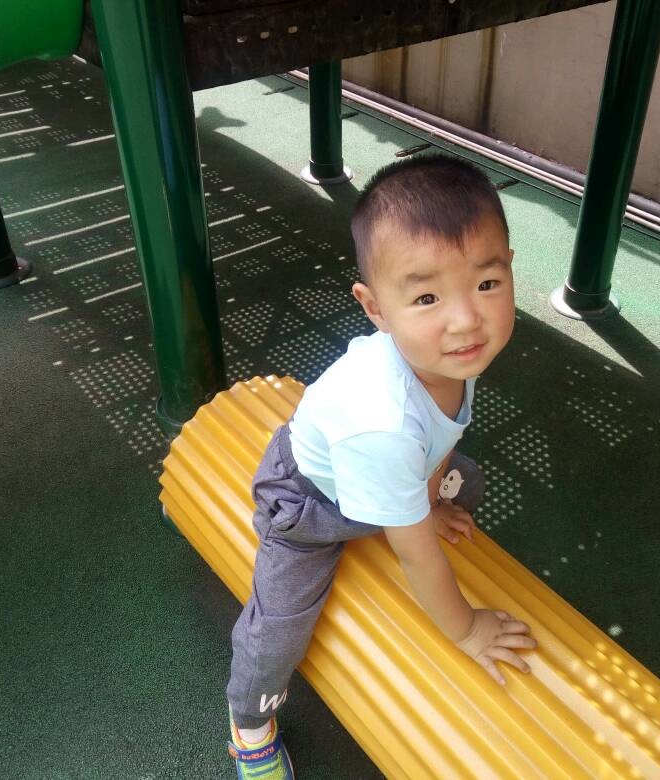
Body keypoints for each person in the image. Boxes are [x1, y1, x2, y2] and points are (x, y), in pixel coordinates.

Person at [225, 154, 536, 779]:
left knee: (465, 482)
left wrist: (431, 502)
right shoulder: (385, 423)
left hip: (386, 472)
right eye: (426, 296)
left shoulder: (450, 355)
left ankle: (409, 507)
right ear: (376, 308)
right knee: (281, 626)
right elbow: (418, 556)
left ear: (508, 268)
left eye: (486, 284)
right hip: (310, 505)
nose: (465, 319)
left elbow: (440, 444)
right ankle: (248, 725)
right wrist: (466, 630)